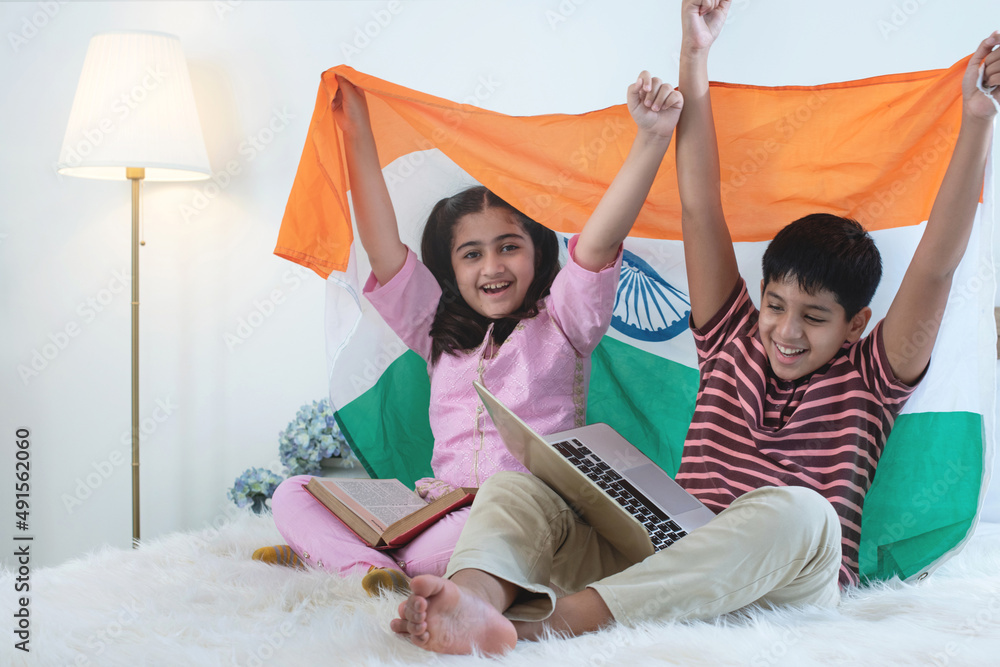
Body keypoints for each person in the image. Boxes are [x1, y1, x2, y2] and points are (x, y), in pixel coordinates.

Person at [389, 0, 1000, 656]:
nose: (786, 331)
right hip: (666, 567)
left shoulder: (872, 377)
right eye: (775, 305)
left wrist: (976, 117)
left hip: (786, 581)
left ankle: (549, 627)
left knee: (801, 509)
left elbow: (936, 266)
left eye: (814, 317)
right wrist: (695, 56)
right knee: (516, 485)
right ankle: (473, 601)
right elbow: (701, 199)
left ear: (856, 325)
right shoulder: (731, 334)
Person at [256, 71, 685, 595]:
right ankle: (367, 568)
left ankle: (341, 558)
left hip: (520, 515)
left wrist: (652, 137)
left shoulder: (567, 321)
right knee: (294, 493)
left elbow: (599, 241)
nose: (491, 267)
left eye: (509, 246)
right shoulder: (436, 328)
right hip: (432, 507)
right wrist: (358, 128)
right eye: (472, 253)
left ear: (537, 252)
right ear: (451, 268)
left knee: (454, 544)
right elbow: (380, 244)